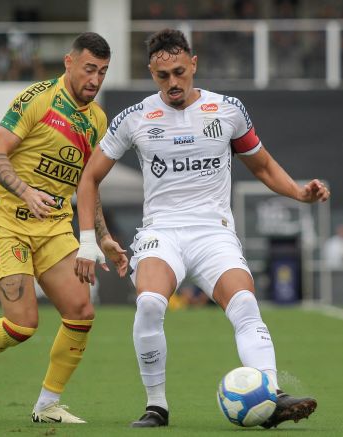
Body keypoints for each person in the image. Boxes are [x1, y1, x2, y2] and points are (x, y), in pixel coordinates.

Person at [74, 28, 326, 429]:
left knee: (244, 303)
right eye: (162, 76)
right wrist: (90, 242)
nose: (172, 83)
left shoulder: (227, 110)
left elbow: (260, 165)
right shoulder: (135, 118)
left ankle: (271, 395)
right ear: (151, 74)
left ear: (193, 65)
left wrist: (298, 191)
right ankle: (156, 406)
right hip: (163, 232)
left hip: (214, 232)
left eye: (179, 72)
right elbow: (88, 179)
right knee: (150, 304)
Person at [0, 32, 127, 424]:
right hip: (5, 220)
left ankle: (47, 404)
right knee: (23, 324)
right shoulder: (37, 99)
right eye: (89, 69)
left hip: (52, 226)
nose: (95, 80)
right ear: (69, 62)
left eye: (103, 72)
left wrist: (102, 237)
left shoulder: (97, 120)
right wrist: (26, 192)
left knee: (81, 311)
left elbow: (88, 183)